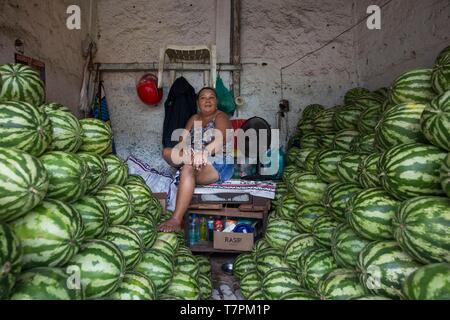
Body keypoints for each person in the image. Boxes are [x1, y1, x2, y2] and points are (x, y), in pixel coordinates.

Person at [159, 87, 235, 232]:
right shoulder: (194, 118)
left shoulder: (221, 117)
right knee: (167, 152)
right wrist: (186, 147)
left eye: (211, 97)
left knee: (188, 168)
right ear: (198, 102)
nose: (207, 101)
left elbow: (220, 139)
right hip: (196, 158)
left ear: (217, 101)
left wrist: (204, 153)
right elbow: (182, 140)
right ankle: (192, 161)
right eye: (203, 98)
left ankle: (176, 219)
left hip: (218, 162)